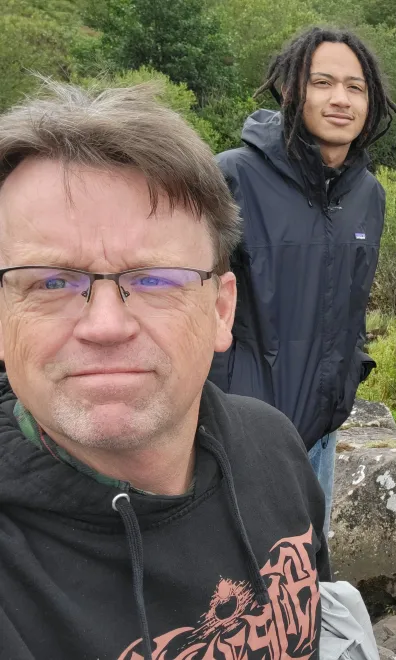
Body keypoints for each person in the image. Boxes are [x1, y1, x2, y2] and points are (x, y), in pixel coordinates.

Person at [0, 82, 330, 659]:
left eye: (153, 278)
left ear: (221, 308)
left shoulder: (273, 445)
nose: (105, 325)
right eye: (51, 282)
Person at [209, 27, 396, 539]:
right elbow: (183, 297)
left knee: (302, 578)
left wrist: (347, 374)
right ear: (292, 90)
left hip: (320, 433)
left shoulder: (368, 194)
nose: (340, 99)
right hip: (238, 432)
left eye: (355, 87)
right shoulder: (233, 176)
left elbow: (351, 304)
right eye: (323, 82)